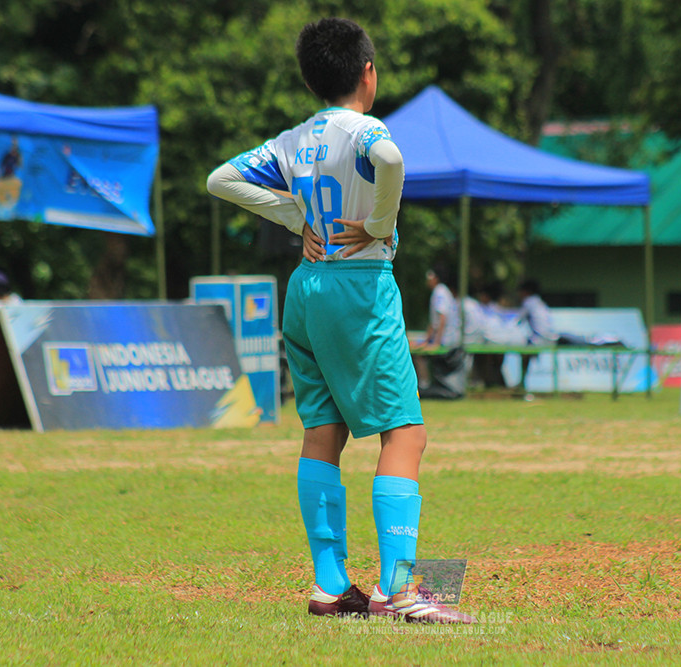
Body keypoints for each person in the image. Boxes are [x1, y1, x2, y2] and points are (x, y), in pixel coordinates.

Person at [206, 18, 473, 624]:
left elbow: (221, 179)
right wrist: (380, 226)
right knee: (405, 433)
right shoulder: (367, 129)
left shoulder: (296, 139)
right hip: (361, 285)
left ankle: (331, 586)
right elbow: (391, 157)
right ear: (367, 73)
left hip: (306, 289)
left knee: (323, 431)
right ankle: (402, 591)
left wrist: (293, 217)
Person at [412, 266, 467, 399]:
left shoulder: (440, 292)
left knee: (419, 354)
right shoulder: (442, 291)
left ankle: (423, 386)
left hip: (447, 340)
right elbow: (435, 323)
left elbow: (442, 318)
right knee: (415, 345)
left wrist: (435, 342)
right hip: (446, 338)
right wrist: (426, 340)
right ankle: (423, 385)